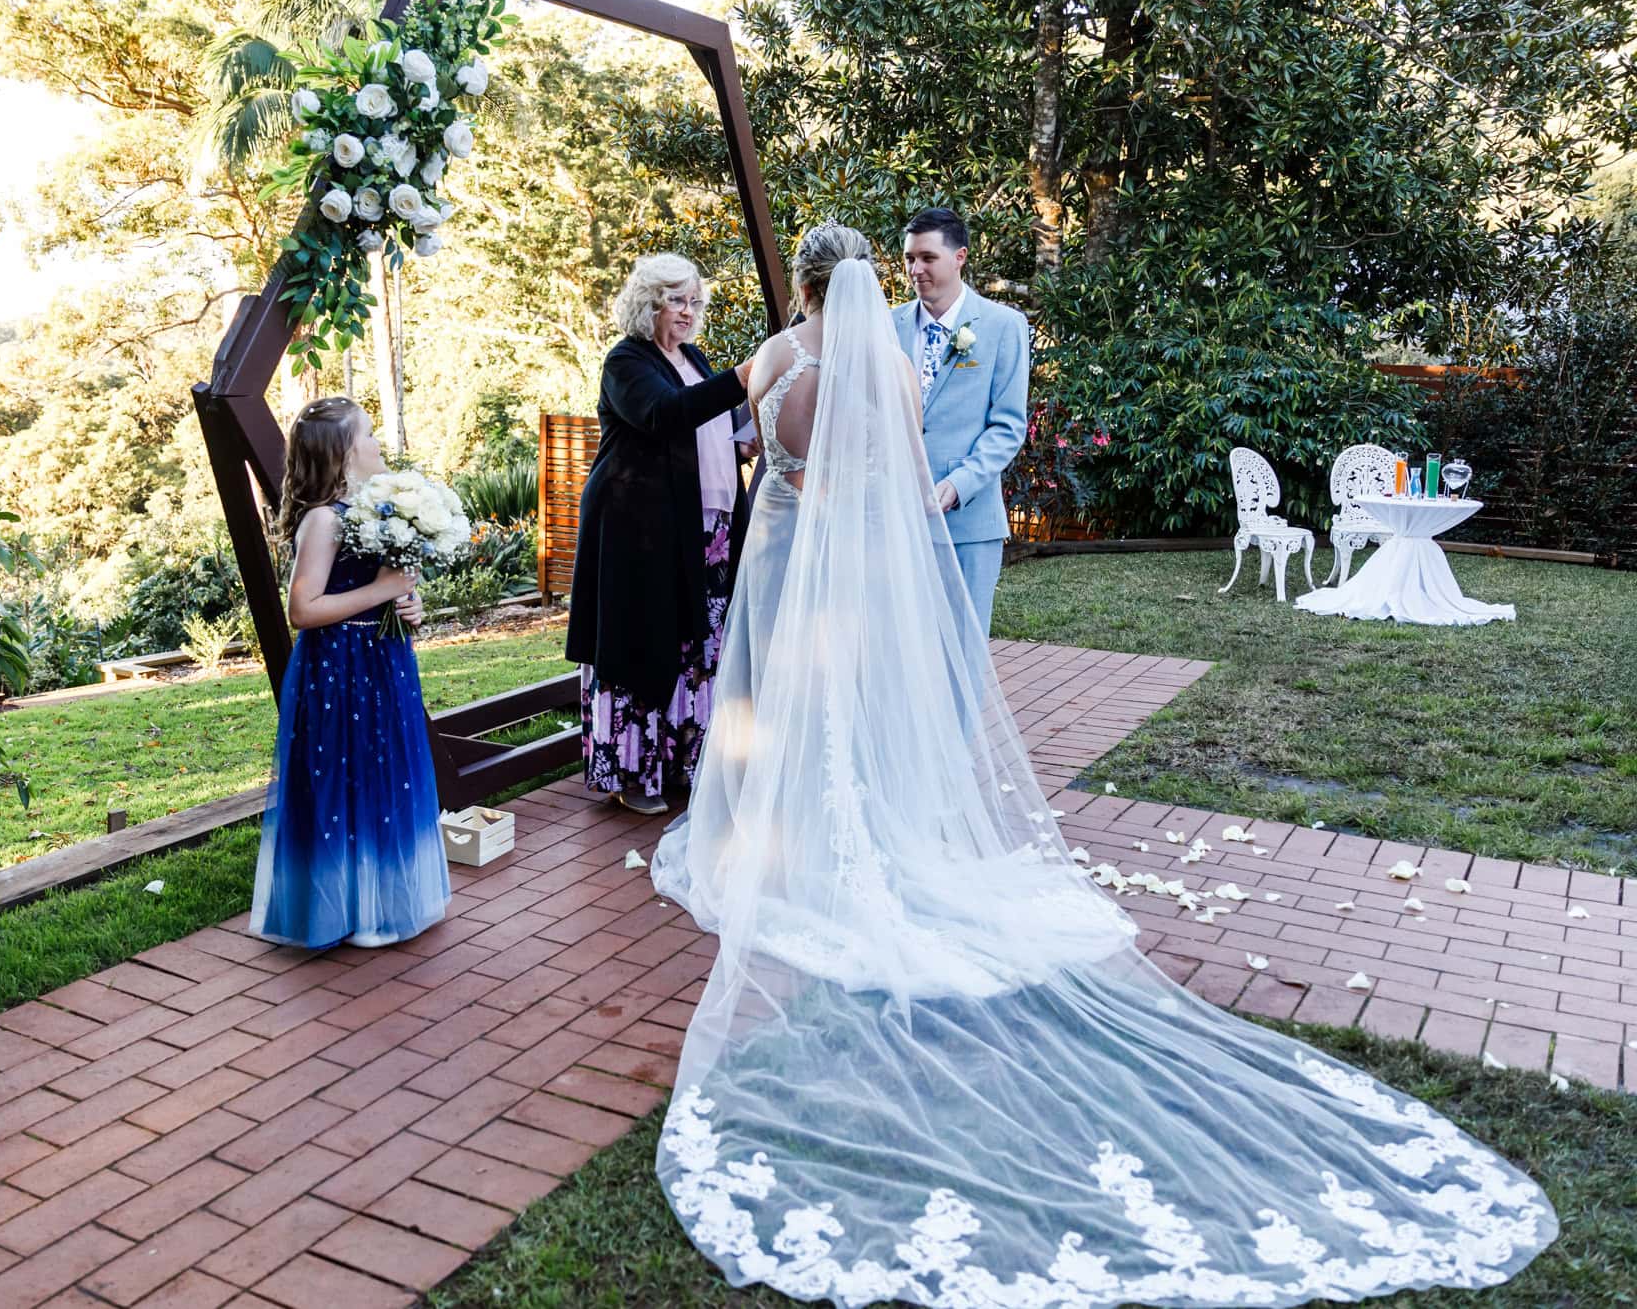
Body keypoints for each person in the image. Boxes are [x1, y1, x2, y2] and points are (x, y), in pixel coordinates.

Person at [648, 223, 1554, 1308]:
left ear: (798, 283)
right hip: (859, 552)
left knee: (777, 702)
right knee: (857, 704)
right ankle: (873, 824)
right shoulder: (884, 361)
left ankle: (771, 828)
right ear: (865, 282)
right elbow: (889, 464)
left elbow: (759, 455)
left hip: (784, 545)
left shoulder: (770, 359)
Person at [250, 396, 448, 950]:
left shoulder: (373, 511)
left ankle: (383, 901)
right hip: (338, 667)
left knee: (386, 771)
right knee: (345, 774)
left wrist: (407, 605)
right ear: (342, 455)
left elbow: (385, 591)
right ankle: (345, 909)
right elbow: (303, 610)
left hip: (382, 662)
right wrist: (382, 591)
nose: (377, 443)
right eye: (367, 434)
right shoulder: (322, 520)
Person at [566, 253, 755, 815]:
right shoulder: (626, 360)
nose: (688, 312)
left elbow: (704, 425)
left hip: (707, 529)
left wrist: (740, 441)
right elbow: (664, 414)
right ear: (649, 303)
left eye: (695, 302)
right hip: (641, 532)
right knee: (644, 643)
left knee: (700, 647)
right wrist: (741, 378)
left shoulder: (691, 357)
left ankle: (682, 765)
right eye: (677, 300)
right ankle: (631, 773)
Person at [894, 206, 1027, 635]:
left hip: (968, 522)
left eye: (927, 258)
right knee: (902, 650)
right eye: (910, 258)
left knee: (963, 651)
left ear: (960, 257)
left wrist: (958, 486)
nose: (916, 269)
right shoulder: (885, 325)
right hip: (895, 520)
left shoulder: (1003, 325)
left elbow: (1007, 426)